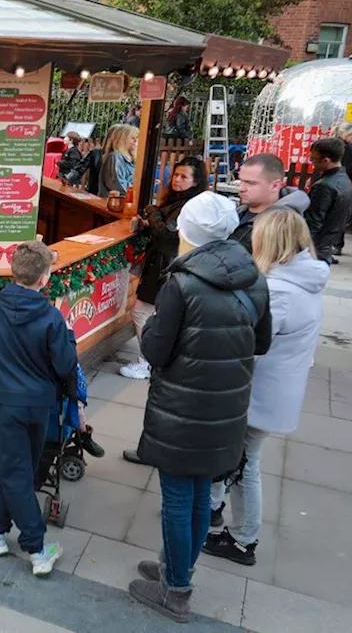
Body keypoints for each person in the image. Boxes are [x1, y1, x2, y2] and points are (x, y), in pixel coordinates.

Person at [128, 192, 271, 623]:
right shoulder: (254, 277)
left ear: (187, 232)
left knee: (177, 497)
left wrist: (153, 324)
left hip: (181, 407)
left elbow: (155, 348)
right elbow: (261, 343)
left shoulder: (181, 284)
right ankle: (178, 569)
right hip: (226, 407)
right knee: (196, 497)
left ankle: (176, 591)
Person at [202, 209, 327, 566]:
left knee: (244, 466)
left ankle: (244, 539)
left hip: (259, 396)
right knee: (240, 460)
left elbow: (249, 346)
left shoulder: (278, 290)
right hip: (273, 392)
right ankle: (214, 510)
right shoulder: (304, 278)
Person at [0, 241, 77, 577]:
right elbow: (65, 365)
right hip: (40, 403)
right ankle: (36, 547)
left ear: (12, 270)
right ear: (45, 278)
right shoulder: (51, 317)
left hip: (6, 400)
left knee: (18, 469)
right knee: (21, 470)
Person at [120, 157, 210, 384]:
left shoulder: (187, 205)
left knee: (142, 311)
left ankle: (147, 361)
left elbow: (167, 234)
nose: (177, 180)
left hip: (165, 265)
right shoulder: (181, 201)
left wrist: (152, 211)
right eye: (176, 175)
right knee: (153, 312)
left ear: (196, 181)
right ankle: (154, 358)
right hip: (165, 264)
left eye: (184, 177)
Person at [228, 153, 310, 254]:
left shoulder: (284, 228)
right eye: (241, 181)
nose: (241, 188)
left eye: (250, 183)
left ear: (275, 186)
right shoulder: (236, 213)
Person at [301, 138, 351, 264]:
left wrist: (300, 247)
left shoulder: (324, 186)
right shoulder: (345, 180)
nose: (312, 163)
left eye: (313, 159)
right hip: (327, 243)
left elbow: (313, 222)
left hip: (316, 247)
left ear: (326, 160)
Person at [99, 123, 138, 196]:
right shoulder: (115, 157)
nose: (136, 141)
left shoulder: (131, 159)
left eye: (137, 138)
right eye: (132, 138)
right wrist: (138, 188)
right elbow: (117, 185)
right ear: (122, 139)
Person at [332, 122, 352, 256]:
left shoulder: (337, 145)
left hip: (339, 183)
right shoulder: (344, 148)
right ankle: (335, 244)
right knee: (340, 214)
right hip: (344, 184)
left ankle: (335, 244)